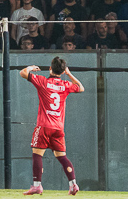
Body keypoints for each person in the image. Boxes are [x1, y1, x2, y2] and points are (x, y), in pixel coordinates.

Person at [22, 57, 84, 195]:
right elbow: (81, 87)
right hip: (58, 128)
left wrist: (31, 67)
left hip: (44, 126)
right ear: (62, 71)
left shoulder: (43, 81)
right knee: (62, 156)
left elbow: (23, 73)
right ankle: (73, 184)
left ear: (50, 68)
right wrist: (69, 74)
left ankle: (37, 185)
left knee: (37, 154)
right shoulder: (65, 85)